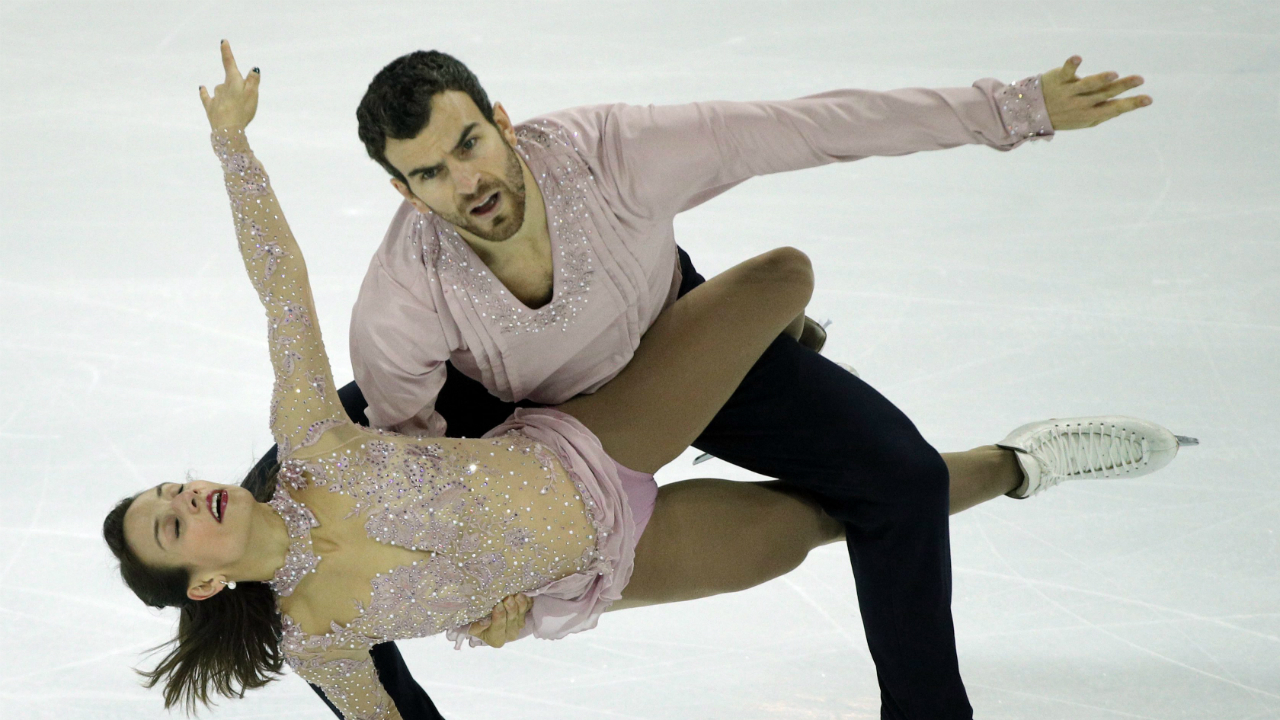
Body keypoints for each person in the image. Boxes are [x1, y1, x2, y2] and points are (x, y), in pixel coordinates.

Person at [332, 43, 1183, 720]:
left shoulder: (612, 155)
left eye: (469, 144)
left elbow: (805, 127)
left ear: (502, 122)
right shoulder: (400, 302)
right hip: (513, 414)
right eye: (430, 174)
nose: (468, 183)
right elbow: (414, 470)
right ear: (403, 190)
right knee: (296, 538)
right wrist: (490, 576)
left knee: (905, 479)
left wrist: (1014, 109)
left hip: (674, 338)